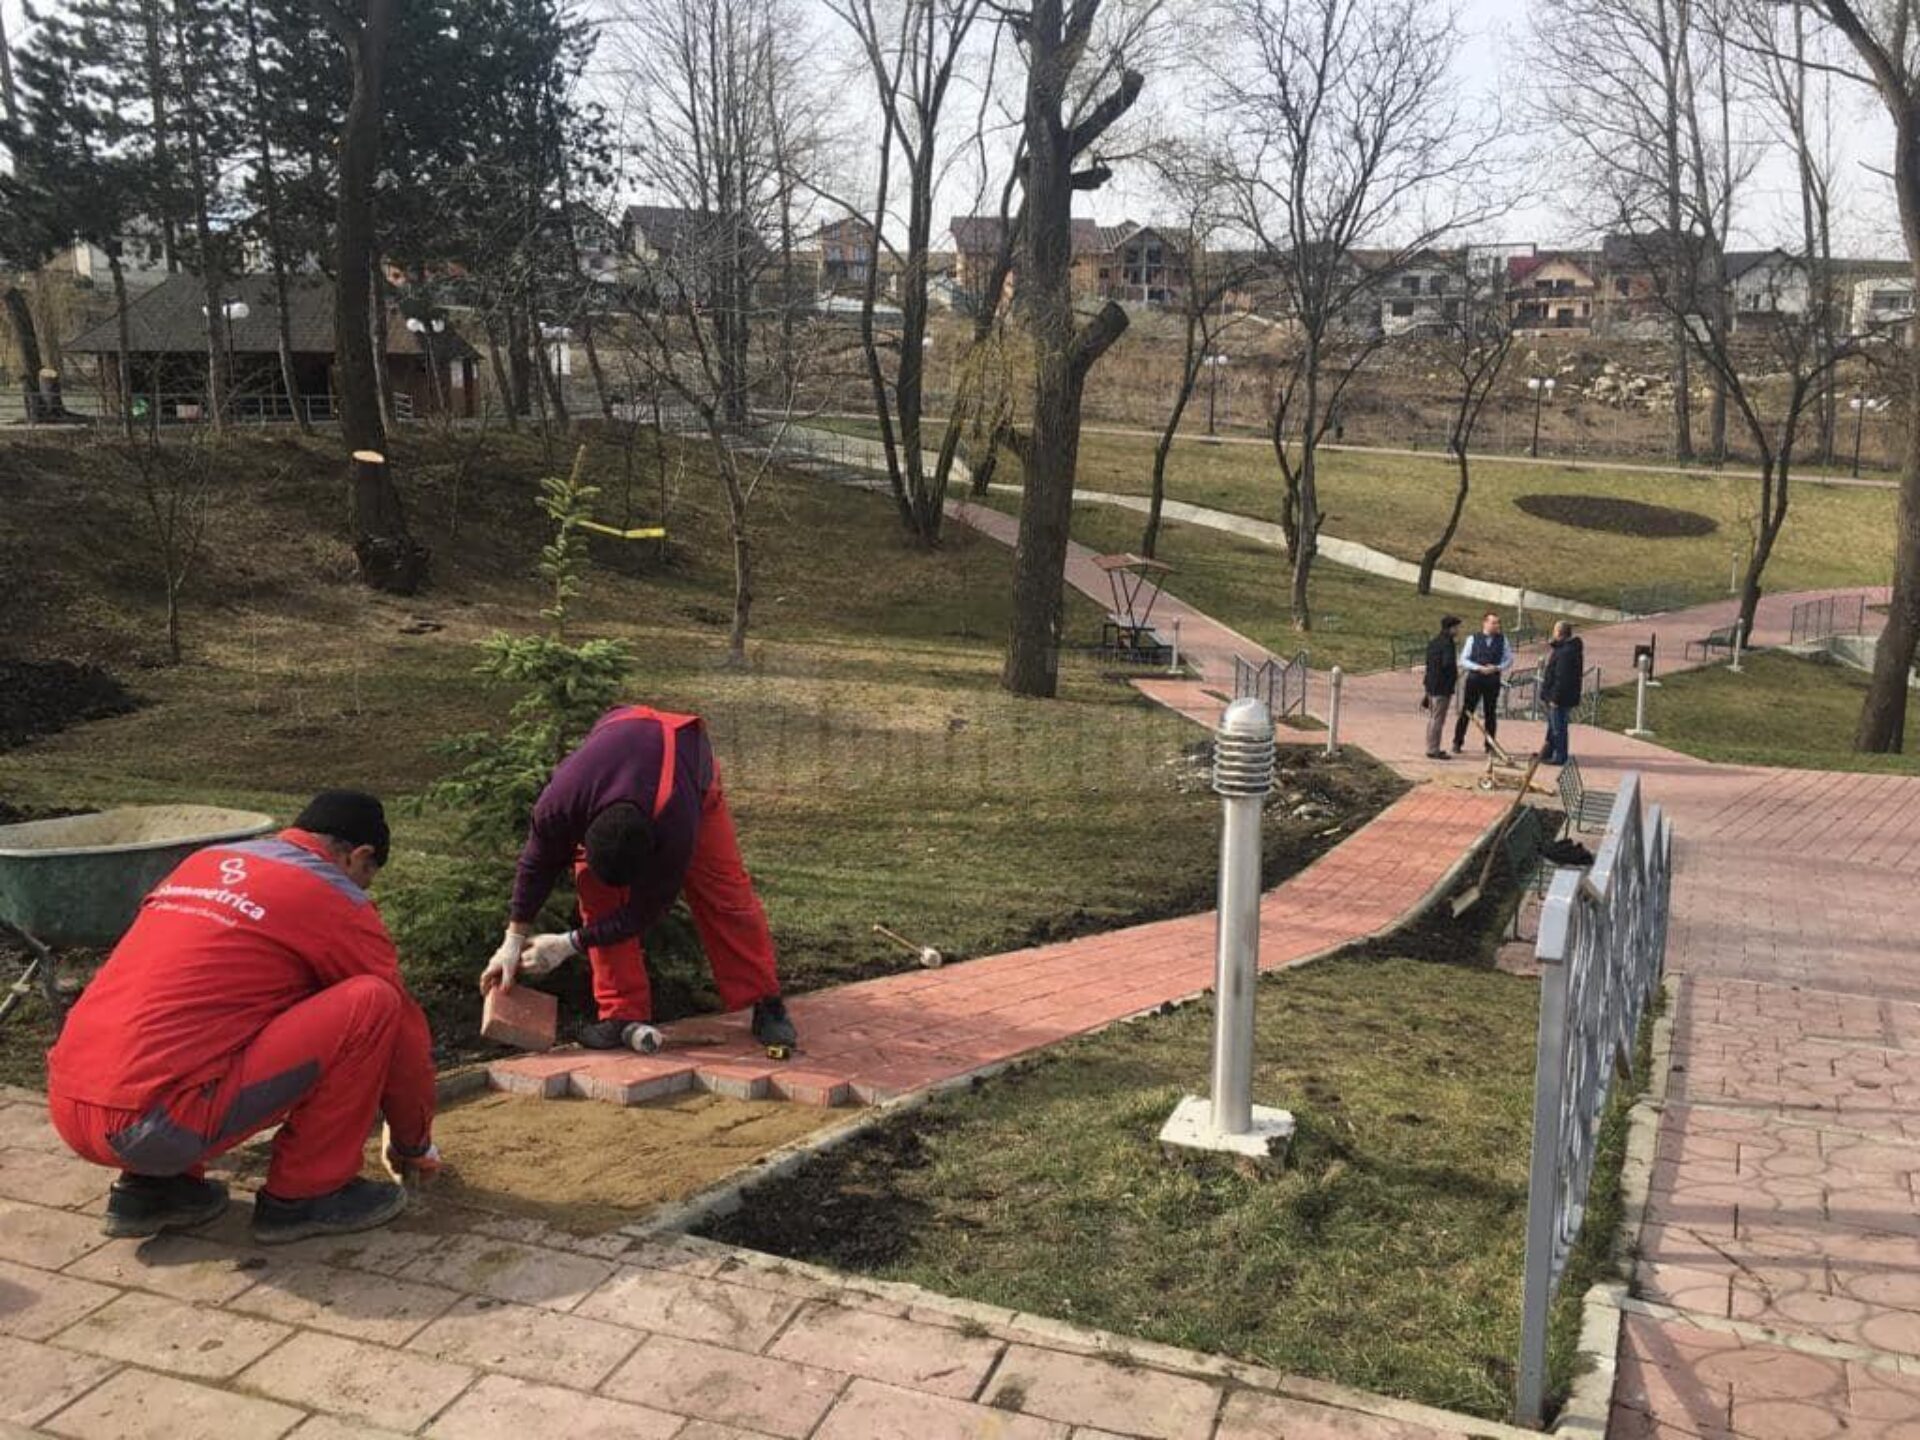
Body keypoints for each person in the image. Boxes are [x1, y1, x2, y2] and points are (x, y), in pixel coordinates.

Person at [46, 791, 438, 1243]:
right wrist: (413, 1142)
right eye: (367, 877)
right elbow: (404, 1035)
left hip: (70, 1103)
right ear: (359, 856)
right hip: (157, 1125)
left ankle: (155, 1191)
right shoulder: (331, 897)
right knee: (373, 1002)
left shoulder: (203, 864)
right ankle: (309, 1192)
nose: (362, 890)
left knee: (220, 1002)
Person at [483, 704, 796, 1055]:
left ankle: (766, 1001)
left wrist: (568, 944)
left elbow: (647, 911)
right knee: (597, 896)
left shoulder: (677, 828)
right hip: (622, 740)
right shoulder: (560, 803)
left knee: (725, 895)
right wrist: (512, 940)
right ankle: (622, 1013)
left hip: (687, 764)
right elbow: (536, 863)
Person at [1452, 611, 1516, 755]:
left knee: (1490, 713)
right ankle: (1457, 741)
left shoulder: (1503, 640)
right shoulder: (1472, 639)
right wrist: (1478, 667)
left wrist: (1497, 667)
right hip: (1475, 679)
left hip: (1492, 680)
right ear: (1485, 623)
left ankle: (1489, 745)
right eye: (1493, 623)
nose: (1496, 626)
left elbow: (1509, 659)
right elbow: (1464, 659)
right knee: (1467, 711)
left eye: (1498, 623)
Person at [1539, 621, 1585, 765]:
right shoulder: (1566, 649)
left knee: (1558, 728)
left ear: (1559, 633)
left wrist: (1555, 698)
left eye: (1554, 631)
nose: (1553, 633)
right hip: (1563, 696)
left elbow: (1562, 678)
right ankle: (1547, 751)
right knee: (1553, 726)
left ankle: (1560, 756)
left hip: (1560, 698)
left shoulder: (1566, 652)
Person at [1421, 615, 1462, 760]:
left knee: (1433, 717)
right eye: (1456, 627)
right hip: (1442, 687)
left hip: (1431, 684)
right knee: (1438, 719)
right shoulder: (1447, 644)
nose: (1458, 630)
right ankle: (1433, 749)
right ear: (1450, 628)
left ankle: (1431, 746)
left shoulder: (1434, 642)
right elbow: (1447, 663)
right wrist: (1455, 675)